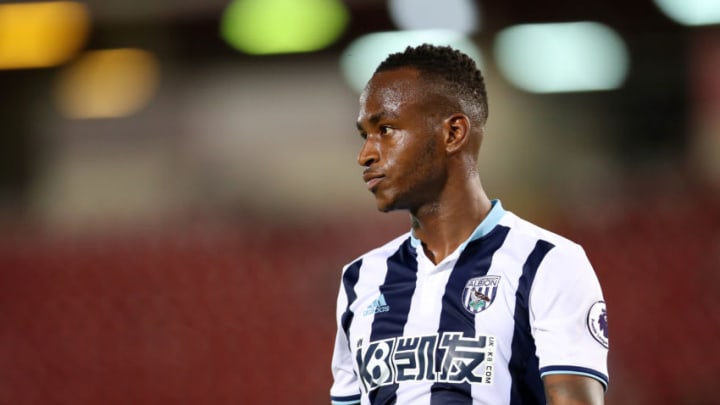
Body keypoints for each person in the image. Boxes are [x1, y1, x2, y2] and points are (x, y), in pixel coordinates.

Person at [329, 44, 609, 405]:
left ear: (453, 133)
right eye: (364, 135)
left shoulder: (547, 263)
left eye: (385, 129)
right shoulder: (360, 279)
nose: (365, 154)